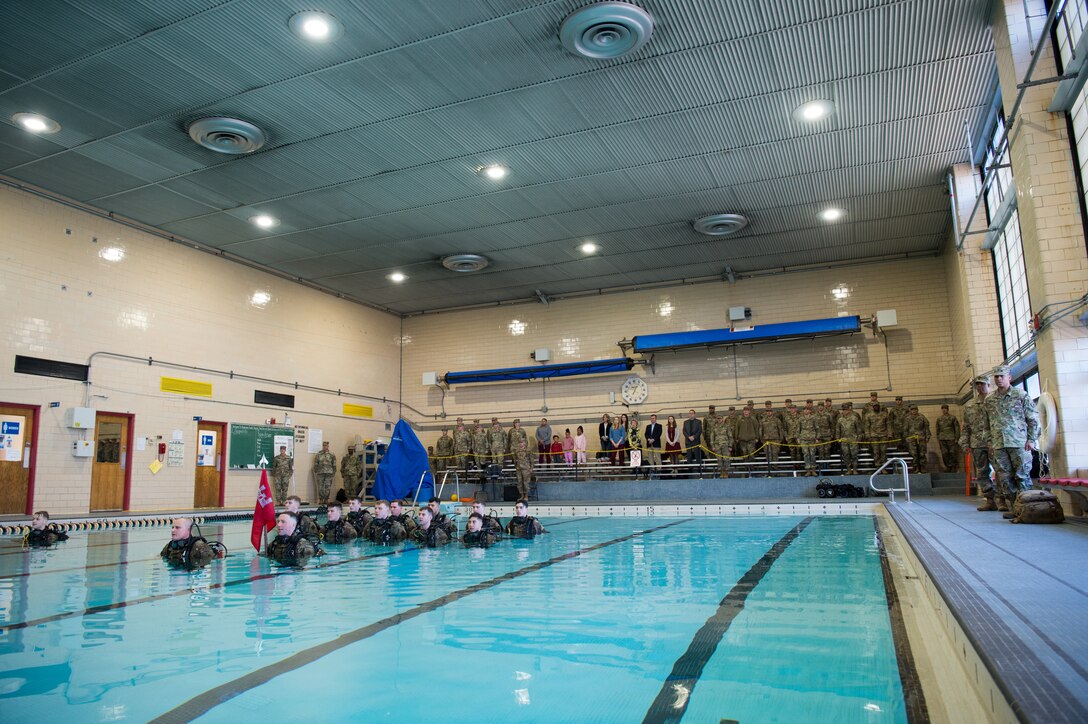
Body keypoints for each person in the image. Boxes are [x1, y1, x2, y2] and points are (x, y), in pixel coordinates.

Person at [985, 365, 1039, 516]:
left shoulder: (1020, 395)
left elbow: (1033, 419)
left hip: (1019, 442)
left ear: (1009, 377)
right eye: (996, 376)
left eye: (1002, 376)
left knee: (1022, 475)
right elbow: (986, 424)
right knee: (1005, 477)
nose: (999, 379)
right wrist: (990, 442)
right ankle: (1015, 509)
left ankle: (1027, 509)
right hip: (999, 444)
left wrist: (1032, 439)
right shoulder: (990, 400)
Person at [961, 375, 996, 510]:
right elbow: (966, 427)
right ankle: (990, 500)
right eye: (977, 385)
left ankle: (1004, 500)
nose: (980, 387)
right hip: (977, 444)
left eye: (982, 384)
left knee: (1001, 471)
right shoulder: (970, 406)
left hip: (994, 443)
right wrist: (965, 443)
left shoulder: (994, 402)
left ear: (988, 384)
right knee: (982, 473)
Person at [837, 402, 863, 474]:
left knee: (854, 455)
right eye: (843, 410)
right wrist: (838, 439)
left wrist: (858, 440)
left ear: (849, 410)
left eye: (846, 410)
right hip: (844, 440)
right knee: (846, 455)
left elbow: (859, 430)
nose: (844, 411)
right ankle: (848, 469)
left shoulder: (854, 418)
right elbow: (838, 431)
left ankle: (854, 469)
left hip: (853, 440)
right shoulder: (840, 420)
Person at [904, 405, 931, 473]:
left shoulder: (922, 417)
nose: (914, 411)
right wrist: (906, 437)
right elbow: (905, 429)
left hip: (921, 438)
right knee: (914, 454)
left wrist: (927, 436)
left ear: (917, 410)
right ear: (910, 410)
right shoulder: (907, 418)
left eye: (915, 409)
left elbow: (926, 427)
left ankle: (922, 467)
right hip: (912, 438)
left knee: (922, 453)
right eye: (912, 410)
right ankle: (915, 467)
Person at [866, 402, 892, 472]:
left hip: (883, 436)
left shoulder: (884, 415)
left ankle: (883, 467)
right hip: (874, 436)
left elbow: (888, 425)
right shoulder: (869, 415)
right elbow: (867, 426)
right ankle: (878, 466)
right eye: (874, 406)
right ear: (873, 407)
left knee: (883, 451)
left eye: (877, 406)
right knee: (876, 452)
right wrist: (868, 436)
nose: (876, 407)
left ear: (879, 406)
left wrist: (889, 435)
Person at [936, 404, 961, 472]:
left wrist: (957, 437)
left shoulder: (952, 418)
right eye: (943, 409)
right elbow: (938, 429)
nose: (944, 410)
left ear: (947, 409)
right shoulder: (939, 419)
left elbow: (957, 428)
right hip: (942, 438)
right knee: (944, 453)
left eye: (945, 409)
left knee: (952, 452)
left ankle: (953, 466)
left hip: (951, 438)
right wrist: (938, 438)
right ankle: (948, 466)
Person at [760, 406, 785, 475]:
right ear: (766, 412)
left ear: (772, 412)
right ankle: (769, 467)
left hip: (775, 439)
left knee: (775, 454)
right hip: (766, 440)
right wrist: (761, 439)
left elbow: (780, 429)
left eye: (770, 411)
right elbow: (760, 430)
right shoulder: (763, 420)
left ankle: (775, 467)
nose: (769, 413)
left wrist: (781, 438)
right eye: (767, 411)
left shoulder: (777, 420)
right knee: (768, 454)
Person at [312, 440, 337, 505]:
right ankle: (321, 499)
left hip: (329, 473)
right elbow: (316, 463)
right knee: (320, 487)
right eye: (323, 445)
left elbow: (334, 464)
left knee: (327, 486)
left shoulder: (332, 455)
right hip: (320, 472)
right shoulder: (319, 454)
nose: (324, 447)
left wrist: (334, 472)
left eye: (326, 445)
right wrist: (316, 470)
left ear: (328, 446)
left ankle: (326, 499)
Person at [798, 406, 820, 476]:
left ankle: (813, 470)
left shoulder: (814, 418)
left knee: (812, 454)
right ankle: (807, 469)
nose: (806, 411)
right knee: (806, 454)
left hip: (812, 438)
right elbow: (798, 429)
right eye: (805, 410)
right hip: (803, 439)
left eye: (807, 409)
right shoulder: (800, 419)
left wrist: (817, 438)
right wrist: (798, 438)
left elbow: (817, 429)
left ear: (810, 411)